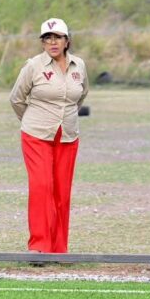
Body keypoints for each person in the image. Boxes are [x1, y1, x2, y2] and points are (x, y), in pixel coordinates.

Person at [10, 18, 89, 254]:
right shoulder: (33, 66)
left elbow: (81, 95)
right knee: (42, 187)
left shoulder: (79, 65)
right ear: (42, 43)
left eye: (58, 37)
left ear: (67, 40)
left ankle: (58, 248)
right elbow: (16, 99)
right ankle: (39, 246)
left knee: (62, 192)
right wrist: (33, 120)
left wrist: (65, 117)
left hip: (67, 136)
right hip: (36, 135)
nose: (53, 42)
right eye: (47, 38)